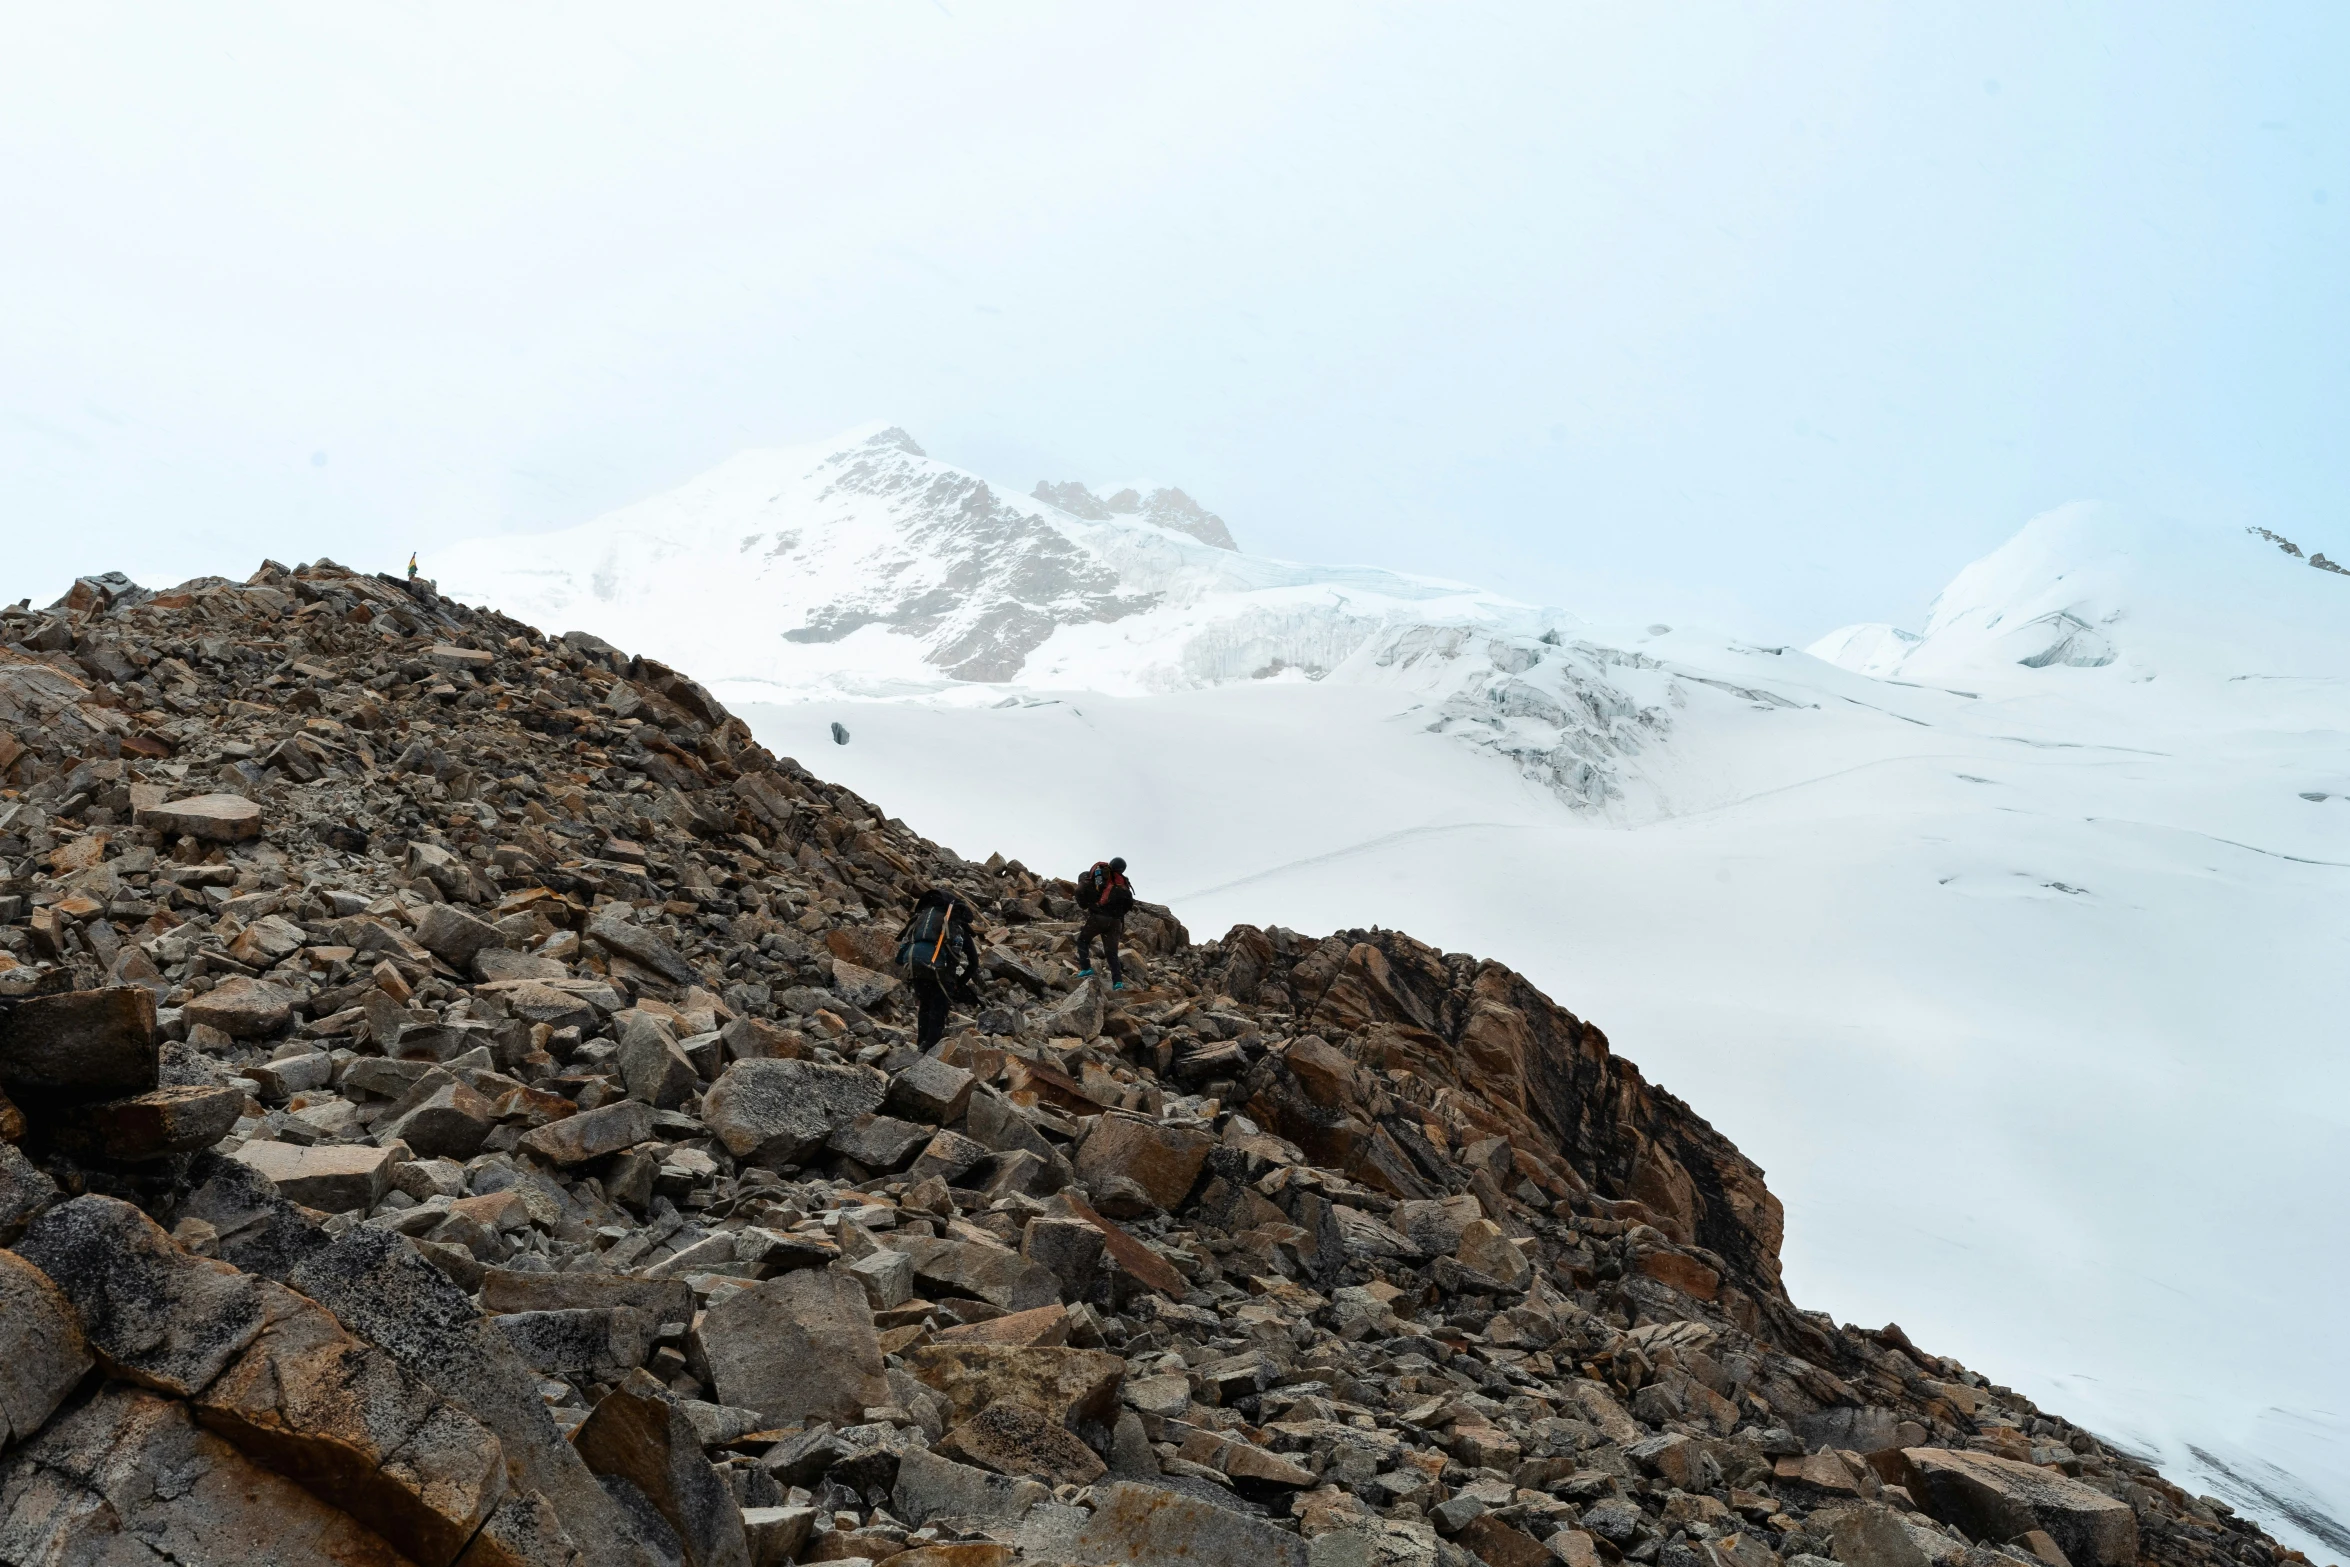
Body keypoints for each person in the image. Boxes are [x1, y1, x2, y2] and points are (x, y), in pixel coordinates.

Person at [896, 887, 980, 1048]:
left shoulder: (921, 920)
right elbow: (973, 962)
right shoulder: (956, 923)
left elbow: (903, 945)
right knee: (938, 1010)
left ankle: (921, 1044)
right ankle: (930, 1050)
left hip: (916, 966)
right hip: (940, 970)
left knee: (925, 1006)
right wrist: (959, 983)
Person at [1074, 856, 1135, 989]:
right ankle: (1117, 983)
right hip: (1116, 922)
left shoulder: (1098, 876)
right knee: (1112, 953)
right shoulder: (1122, 884)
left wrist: (1084, 904)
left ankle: (1086, 968)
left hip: (1099, 917)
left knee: (1083, 941)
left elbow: (1079, 890)